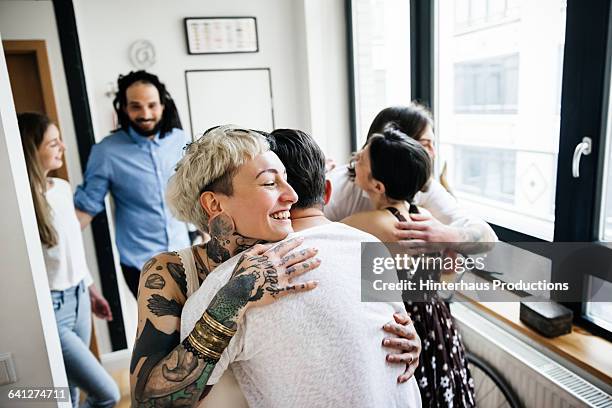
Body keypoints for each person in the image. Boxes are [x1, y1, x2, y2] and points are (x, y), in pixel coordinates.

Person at [130, 126, 421, 407]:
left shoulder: (326, 253)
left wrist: (402, 344)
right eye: (270, 182)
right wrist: (232, 300)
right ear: (214, 205)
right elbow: (148, 401)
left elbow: (381, 338)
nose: (292, 196)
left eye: (286, 179)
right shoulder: (180, 276)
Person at [342, 126, 476, 407]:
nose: (355, 160)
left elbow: (318, 232)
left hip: (403, 325)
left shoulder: (372, 223)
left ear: (377, 185)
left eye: (361, 160)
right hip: (435, 320)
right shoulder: (423, 215)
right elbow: (443, 274)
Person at [18, 112, 121, 408]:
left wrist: (90, 291)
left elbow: (73, 251)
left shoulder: (62, 190)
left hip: (78, 299)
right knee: (107, 395)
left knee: (70, 392)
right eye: (52, 143)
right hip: (52, 309)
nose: (62, 146)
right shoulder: (22, 204)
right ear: (31, 150)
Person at [74, 70, 190, 297]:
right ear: (124, 108)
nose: (145, 114)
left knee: (196, 326)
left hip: (185, 255)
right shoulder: (106, 152)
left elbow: (198, 190)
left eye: (152, 105)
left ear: (162, 106)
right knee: (162, 331)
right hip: (141, 264)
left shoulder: (181, 140)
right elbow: (86, 207)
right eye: (136, 106)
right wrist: (50, 238)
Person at [325, 104, 497, 253]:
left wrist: (447, 236)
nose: (433, 155)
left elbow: (488, 237)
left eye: (432, 145)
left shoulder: (425, 188)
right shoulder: (336, 188)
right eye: (424, 144)